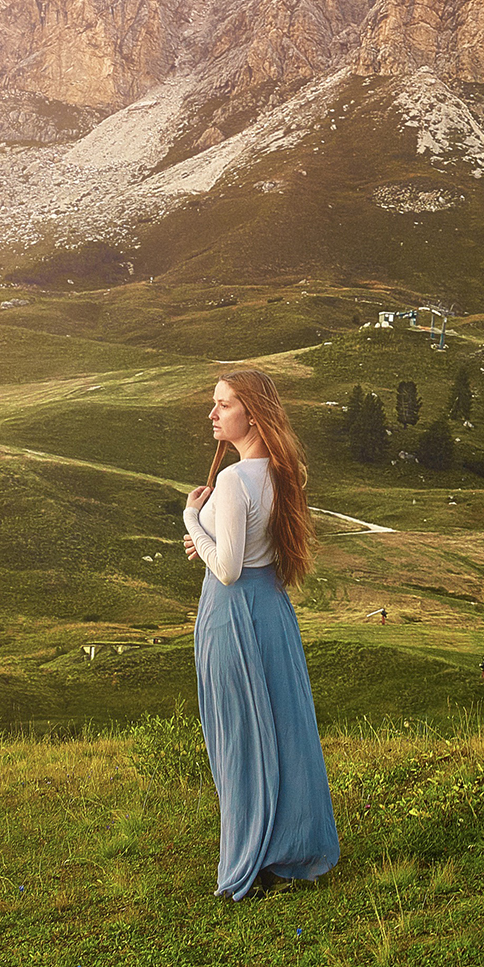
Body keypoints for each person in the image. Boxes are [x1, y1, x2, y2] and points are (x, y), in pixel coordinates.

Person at [182, 369, 340, 901]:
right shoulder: (283, 470)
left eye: (223, 404)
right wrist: (209, 536)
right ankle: (287, 853)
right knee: (284, 730)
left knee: (240, 737)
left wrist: (193, 521)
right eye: (214, 403)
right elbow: (254, 550)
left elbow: (226, 569)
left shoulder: (232, 480)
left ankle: (246, 863)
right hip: (272, 608)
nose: (213, 413)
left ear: (251, 412)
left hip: (233, 613)